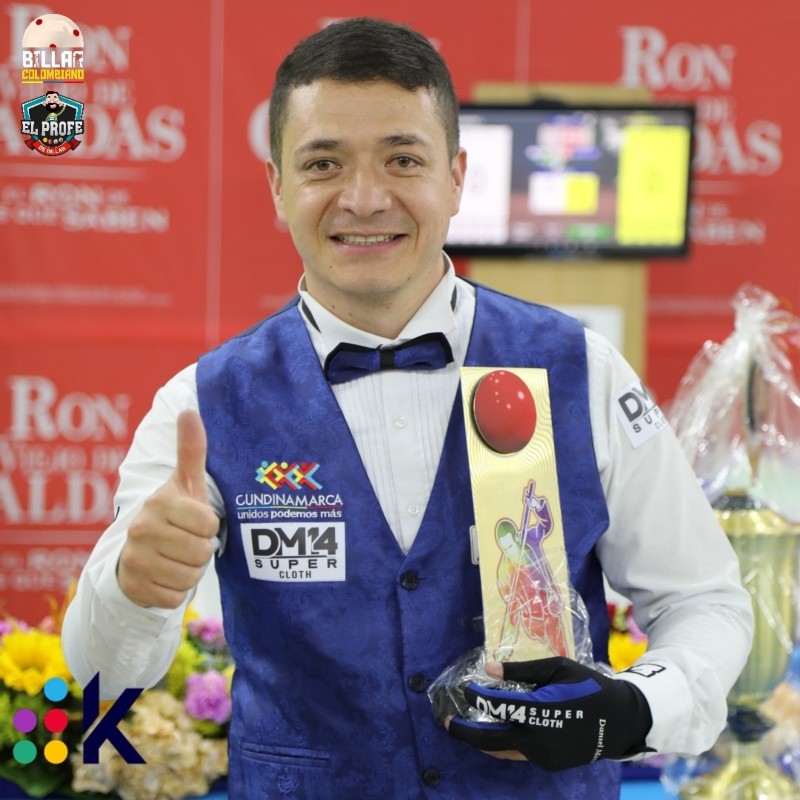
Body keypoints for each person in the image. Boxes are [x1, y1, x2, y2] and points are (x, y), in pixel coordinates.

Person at [62, 16, 753, 800]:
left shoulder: (579, 372)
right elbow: (97, 675)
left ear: (457, 176)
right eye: (323, 163)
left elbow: (706, 601)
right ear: (277, 185)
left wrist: (631, 709)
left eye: (403, 159)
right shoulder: (201, 404)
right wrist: (132, 588)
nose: (363, 198)